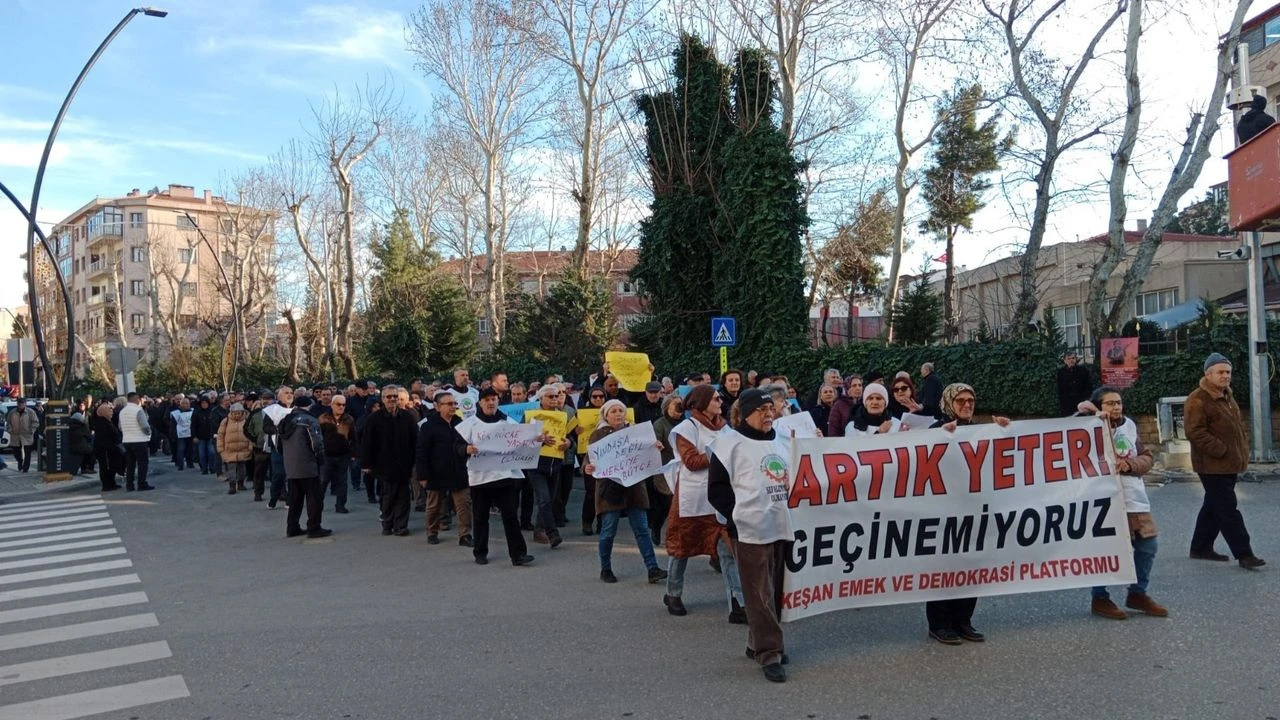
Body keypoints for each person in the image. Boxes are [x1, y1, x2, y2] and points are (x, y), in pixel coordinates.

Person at [707, 388, 793, 684]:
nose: (769, 414)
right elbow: (716, 489)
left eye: (771, 409)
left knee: (775, 588)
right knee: (757, 593)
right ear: (745, 413)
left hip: (780, 524)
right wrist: (737, 517)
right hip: (749, 528)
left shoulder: (782, 440)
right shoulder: (729, 443)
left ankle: (756, 641)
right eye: (762, 410)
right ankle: (770, 651)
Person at [926, 383, 1010, 645]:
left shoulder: (981, 430)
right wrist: (940, 436)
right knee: (945, 568)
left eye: (970, 400)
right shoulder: (934, 429)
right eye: (960, 400)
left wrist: (1006, 431)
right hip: (943, 512)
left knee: (971, 565)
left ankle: (963, 620)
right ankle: (939, 624)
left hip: (974, 509)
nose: (966, 405)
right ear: (949, 402)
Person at [1075, 386, 1167, 620]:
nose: (1116, 407)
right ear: (1099, 406)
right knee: (1105, 549)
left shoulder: (1129, 425)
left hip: (1134, 497)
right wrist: (1090, 414)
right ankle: (1100, 597)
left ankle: (1137, 593)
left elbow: (1146, 457)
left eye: (1119, 402)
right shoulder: (1087, 426)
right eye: (1110, 403)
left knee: (1148, 545)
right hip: (1104, 500)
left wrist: (1130, 465)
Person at [662, 385, 746, 623]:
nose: (720, 401)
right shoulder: (685, 429)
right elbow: (691, 461)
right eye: (715, 398)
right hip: (693, 499)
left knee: (727, 551)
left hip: (718, 498)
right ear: (701, 403)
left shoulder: (724, 426)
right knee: (681, 549)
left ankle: (738, 603)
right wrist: (720, 452)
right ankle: (673, 593)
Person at [1185, 353, 1265, 569]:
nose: (1225, 376)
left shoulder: (1227, 395)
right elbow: (1195, 432)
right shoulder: (1198, 399)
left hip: (1228, 464)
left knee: (1213, 505)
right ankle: (1244, 554)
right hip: (1212, 465)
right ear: (1207, 374)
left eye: (1228, 372)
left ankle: (1200, 548)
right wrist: (1221, 450)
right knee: (1228, 509)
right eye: (1220, 372)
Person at [584, 400, 668, 584]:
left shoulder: (635, 432)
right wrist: (588, 468)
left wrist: (656, 448)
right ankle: (605, 568)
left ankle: (652, 568)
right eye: (613, 411)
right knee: (608, 531)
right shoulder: (598, 434)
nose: (618, 414)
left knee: (642, 530)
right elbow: (588, 459)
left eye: (621, 410)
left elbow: (647, 451)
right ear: (606, 415)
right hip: (610, 489)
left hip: (634, 488)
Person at [459, 388, 534, 566]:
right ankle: (480, 552)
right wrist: (465, 449)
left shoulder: (508, 421)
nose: (491, 402)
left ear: (498, 401)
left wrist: (538, 438)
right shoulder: (470, 424)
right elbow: (456, 446)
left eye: (494, 399)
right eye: (487, 400)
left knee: (510, 516)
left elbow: (524, 439)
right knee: (480, 517)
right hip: (480, 478)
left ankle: (518, 555)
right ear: (480, 403)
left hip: (504, 476)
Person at [416, 391, 475, 547]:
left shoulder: (460, 423)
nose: (453, 407)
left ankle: (465, 535)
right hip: (436, 472)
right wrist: (423, 475)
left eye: (455, 404)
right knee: (434, 505)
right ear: (438, 406)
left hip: (458, 470)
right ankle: (432, 532)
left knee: (464, 505)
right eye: (449, 404)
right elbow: (422, 451)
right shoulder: (428, 426)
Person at [362, 385, 419, 536]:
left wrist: (414, 459)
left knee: (403, 496)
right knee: (388, 495)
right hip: (383, 464)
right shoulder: (374, 419)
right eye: (389, 397)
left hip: (403, 463)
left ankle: (401, 526)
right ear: (383, 399)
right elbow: (368, 442)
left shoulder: (407, 417)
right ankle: (387, 523)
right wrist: (367, 464)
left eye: (395, 396)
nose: (392, 399)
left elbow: (415, 440)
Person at [277, 400, 331, 539]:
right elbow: (316, 443)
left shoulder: (285, 420)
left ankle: (292, 527)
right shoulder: (309, 420)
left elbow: (278, 444)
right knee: (314, 498)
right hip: (308, 464)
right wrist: (320, 459)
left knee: (295, 498)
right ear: (309, 406)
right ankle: (314, 527)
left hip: (291, 465)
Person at [649, 393, 682, 545]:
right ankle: (656, 528)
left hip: (683, 469)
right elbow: (653, 440)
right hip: (665, 469)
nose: (679, 408)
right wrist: (656, 444)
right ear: (667, 407)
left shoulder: (687, 423)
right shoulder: (660, 424)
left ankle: (678, 536)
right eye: (676, 404)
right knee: (666, 505)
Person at [318, 393, 355, 514]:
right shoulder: (323, 418)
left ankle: (340, 505)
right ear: (332, 405)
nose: (341, 407)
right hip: (327, 455)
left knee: (342, 481)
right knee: (323, 481)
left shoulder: (349, 419)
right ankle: (317, 505)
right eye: (339, 404)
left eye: (344, 405)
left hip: (343, 454)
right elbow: (318, 437)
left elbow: (353, 437)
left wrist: (354, 453)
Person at [118, 392, 154, 492]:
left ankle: (129, 485)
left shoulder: (122, 411)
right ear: (137, 399)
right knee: (142, 463)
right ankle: (142, 483)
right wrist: (149, 433)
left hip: (127, 440)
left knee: (130, 464)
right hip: (139, 440)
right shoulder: (138, 410)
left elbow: (120, 427)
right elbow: (145, 426)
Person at [216, 403, 252, 495]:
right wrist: (220, 448)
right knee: (231, 469)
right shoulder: (226, 421)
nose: (237, 415)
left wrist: (250, 447)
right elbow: (220, 435)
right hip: (229, 450)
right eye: (235, 413)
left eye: (239, 413)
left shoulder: (246, 421)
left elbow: (251, 435)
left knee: (242, 469)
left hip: (243, 449)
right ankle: (232, 485)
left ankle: (241, 483)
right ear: (231, 413)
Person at [6, 398, 39, 472]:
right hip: (15, 435)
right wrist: (10, 430)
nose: (21, 405)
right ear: (17, 404)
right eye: (19, 403)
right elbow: (8, 422)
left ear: (25, 404)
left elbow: (36, 422)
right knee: (16, 452)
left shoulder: (30, 412)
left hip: (27, 435)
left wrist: (32, 430)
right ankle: (20, 461)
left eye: (22, 403)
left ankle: (25, 468)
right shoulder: (12, 412)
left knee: (28, 453)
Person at [1056, 351, 1093, 416]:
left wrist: (1086, 399)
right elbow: (1060, 388)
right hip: (1067, 403)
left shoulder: (1083, 370)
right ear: (1065, 361)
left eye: (1073, 358)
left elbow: (1088, 386)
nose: (1071, 360)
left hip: (1080, 401)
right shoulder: (1061, 372)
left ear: (1075, 359)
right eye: (1069, 359)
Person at [170, 398, 195, 470]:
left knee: (190, 449)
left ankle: (190, 463)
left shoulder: (193, 411)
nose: (187, 405)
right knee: (181, 449)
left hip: (190, 433)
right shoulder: (175, 413)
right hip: (180, 434)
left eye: (188, 403)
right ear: (181, 404)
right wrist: (173, 435)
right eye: (185, 403)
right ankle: (180, 464)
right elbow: (172, 425)